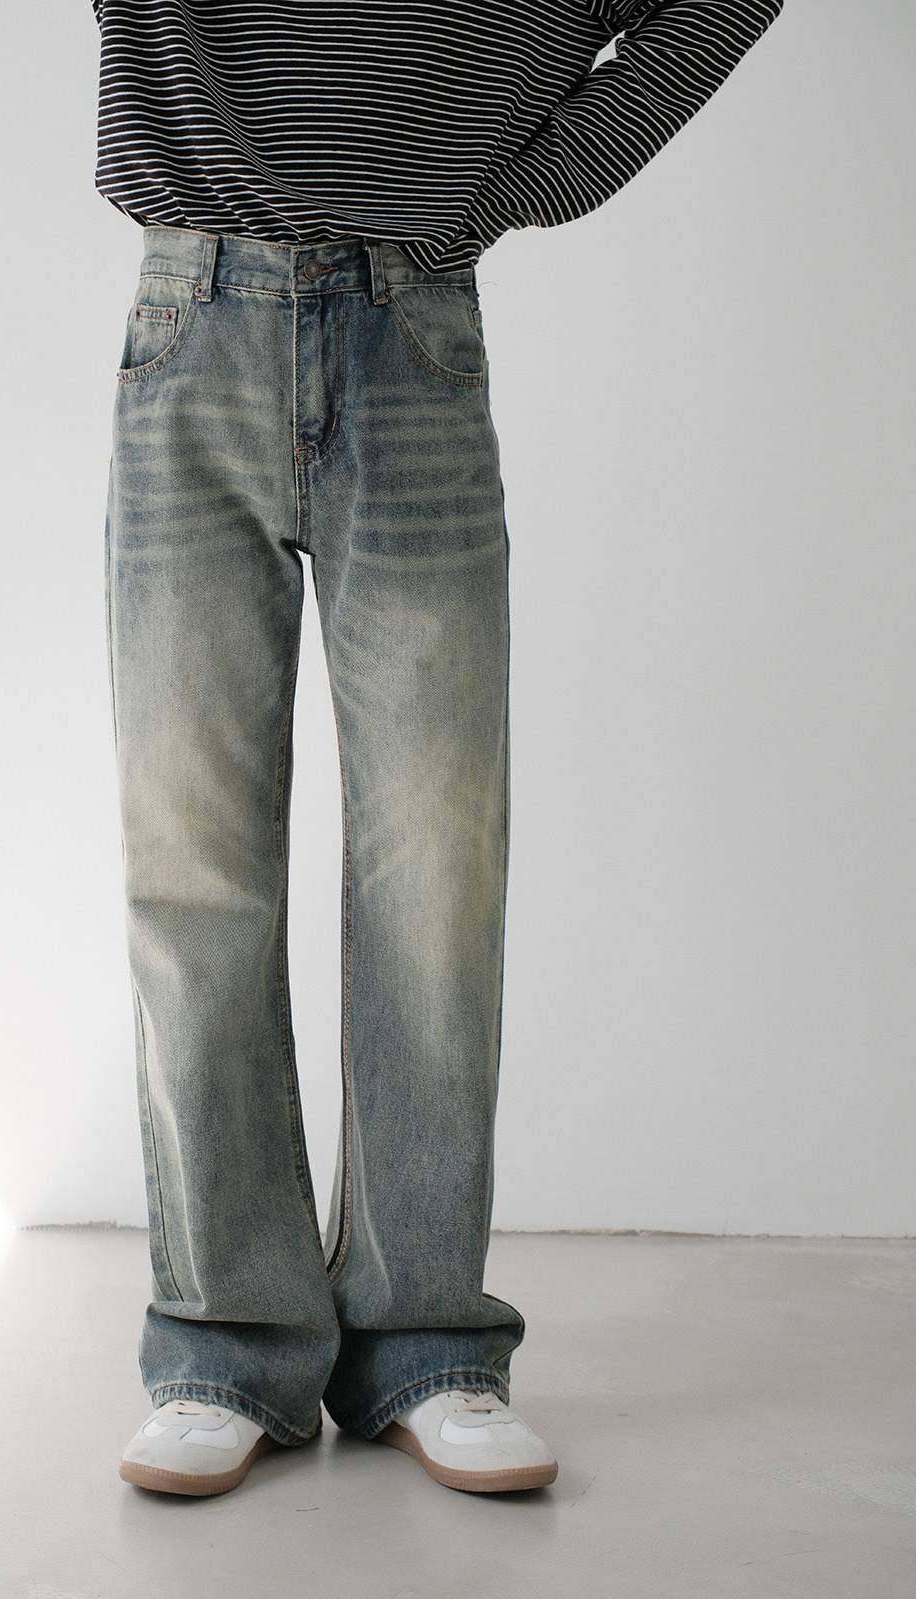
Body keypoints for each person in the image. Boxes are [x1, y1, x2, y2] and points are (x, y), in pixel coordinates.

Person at [91, 0, 784, 1497]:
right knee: (193, 866)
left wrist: (516, 181)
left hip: (414, 325)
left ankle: (424, 1342)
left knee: (436, 866)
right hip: (193, 311)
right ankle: (224, 1344)